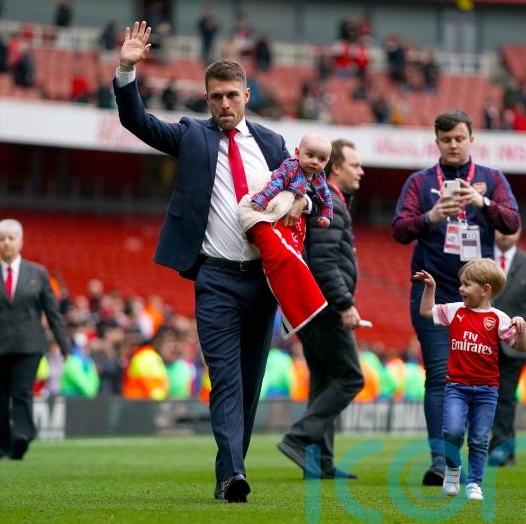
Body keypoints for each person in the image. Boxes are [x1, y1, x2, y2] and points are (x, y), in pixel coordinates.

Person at [113, 21, 305, 503]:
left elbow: (303, 196)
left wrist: (301, 204)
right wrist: (126, 69)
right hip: (216, 278)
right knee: (224, 378)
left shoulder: (273, 145)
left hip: (264, 281)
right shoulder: (191, 137)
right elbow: (137, 122)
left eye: (230, 96)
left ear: (246, 94)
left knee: (249, 383)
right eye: (214, 96)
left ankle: (226, 476)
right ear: (206, 98)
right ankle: (236, 473)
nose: (223, 104)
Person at [391, 109, 520, 485]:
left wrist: (481, 204)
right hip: (434, 290)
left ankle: (473, 451)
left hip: (478, 298)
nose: (452, 145)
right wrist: (431, 216)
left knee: (477, 374)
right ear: (437, 141)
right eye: (445, 139)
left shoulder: (491, 179)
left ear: (471, 139)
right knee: (439, 374)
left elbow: (512, 221)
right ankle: (440, 460)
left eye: (459, 138)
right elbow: (399, 229)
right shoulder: (419, 182)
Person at [277, 139, 366, 480]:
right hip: (326, 306)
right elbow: (326, 262)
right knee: (350, 377)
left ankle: (320, 462)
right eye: (355, 165)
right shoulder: (331, 205)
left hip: (311, 305)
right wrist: (345, 304)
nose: (361, 171)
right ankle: (298, 439)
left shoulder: (331, 202)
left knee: (324, 380)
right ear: (337, 168)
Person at [414, 259, 526, 501]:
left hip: (487, 390)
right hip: (456, 387)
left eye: (467, 284)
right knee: (453, 431)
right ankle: (453, 471)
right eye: (461, 284)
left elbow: (520, 347)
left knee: (478, 438)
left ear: (485, 289)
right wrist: (430, 288)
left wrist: (522, 329)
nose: (461, 289)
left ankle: (475, 483)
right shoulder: (455, 311)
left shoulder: (499, 318)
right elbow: (425, 312)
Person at [0, 219, 70, 460]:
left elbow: (52, 312)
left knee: (22, 391)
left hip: (29, 346)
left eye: (11, 238)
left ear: (21, 241)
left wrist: (64, 344)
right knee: (0, 395)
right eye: (2, 238)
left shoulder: (38, 273)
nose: (7, 243)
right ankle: (1, 445)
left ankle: (22, 435)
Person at [237, 132, 332, 335]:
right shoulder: (290, 166)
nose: (315, 162)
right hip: (265, 203)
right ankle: (307, 303)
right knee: (281, 253)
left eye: (321, 159)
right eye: (311, 156)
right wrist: (262, 200)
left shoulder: (318, 177)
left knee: (290, 250)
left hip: (290, 216)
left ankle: (304, 306)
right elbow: (276, 184)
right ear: (297, 153)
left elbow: (324, 198)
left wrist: (323, 213)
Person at [487, 228, 526, 467]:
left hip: (515, 343)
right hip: (481, 341)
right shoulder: (480, 258)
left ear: (520, 231)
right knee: (485, 396)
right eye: (500, 229)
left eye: (510, 229)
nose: (505, 234)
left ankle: (502, 449)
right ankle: (498, 447)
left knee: (505, 396)